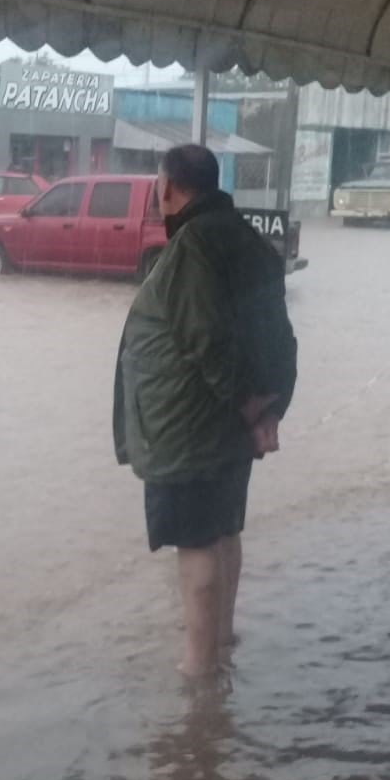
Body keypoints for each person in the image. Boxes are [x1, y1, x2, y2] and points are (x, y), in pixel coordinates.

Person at [113, 145, 297, 679]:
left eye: (156, 186)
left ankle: (198, 683)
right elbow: (276, 336)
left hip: (189, 426)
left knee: (195, 543)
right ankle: (222, 643)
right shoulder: (245, 237)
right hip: (231, 424)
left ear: (168, 188)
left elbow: (207, 341)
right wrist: (269, 407)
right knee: (223, 531)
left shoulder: (192, 245)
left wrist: (250, 407)